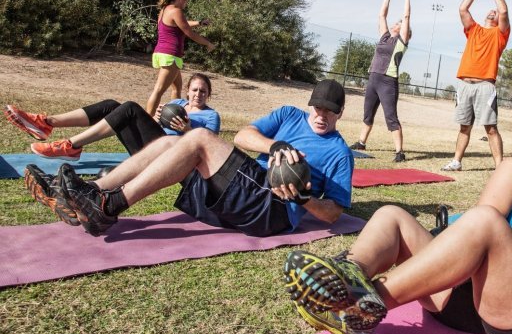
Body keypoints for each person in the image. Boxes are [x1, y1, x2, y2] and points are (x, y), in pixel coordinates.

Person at [283, 110, 512, 334]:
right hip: (463, 304)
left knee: (485, 222)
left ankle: (358, 309)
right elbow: (487, 223)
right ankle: (349, 273)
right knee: (392, 215)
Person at [27, 80, 353, 237]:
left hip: (273, 211)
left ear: (340, 112)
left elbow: (332, 215)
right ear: (310, 104)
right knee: (172, 145)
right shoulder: (288, 115)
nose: (322, 115)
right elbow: (242, 136)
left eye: (330, 110)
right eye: (318, 107)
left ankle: (107, 207)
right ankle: (90, 193)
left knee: (197, 137)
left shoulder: (339, 153)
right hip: (249, 187)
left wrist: (306, 198)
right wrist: (275, 145)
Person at [5, 73, 220, 161]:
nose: (197, 94)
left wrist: (187, 130)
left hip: (165, 157)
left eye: (202, 91)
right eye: (194, 90)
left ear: (208, 94)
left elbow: (207, 150)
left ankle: (71, 145)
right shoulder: (176, 104)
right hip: (149, 144)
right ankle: (45, 123)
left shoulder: (211, 116)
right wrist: (155, 118)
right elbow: (153, 126)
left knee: (129, 108)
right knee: (111, 106)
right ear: (188, 91)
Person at [441, 0, 510, 171]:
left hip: (485, 86)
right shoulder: (474, 29)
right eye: (491, 10)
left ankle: (500, 168)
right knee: (464, 127)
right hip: (465, 85)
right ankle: (456, 161)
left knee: (490, 128)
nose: (493, 11)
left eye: (495, 12)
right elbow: (462, 9)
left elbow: (504, 11)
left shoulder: (500, 34)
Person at [349, 0, 413, 162]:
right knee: (368, 114)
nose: (397, 23)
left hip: (387, 81)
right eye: (397, 22)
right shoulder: (385, 37)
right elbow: (381, 15)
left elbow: (406, 16)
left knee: (391, 117)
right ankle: (361, 143)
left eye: (399, 23)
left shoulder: (401, 42)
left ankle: (400, 152)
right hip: (373, 78)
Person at [146, 0, 215, 116]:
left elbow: (182, 22)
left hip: (163, 52)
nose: (186, 2)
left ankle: (173, 116)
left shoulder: (165, 10)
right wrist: (208, 44)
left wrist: (199, 22)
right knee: (159, 90)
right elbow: (190, 33)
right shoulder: (176, 11)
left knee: (177, 88)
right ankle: (146, 120)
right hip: (170, 55)